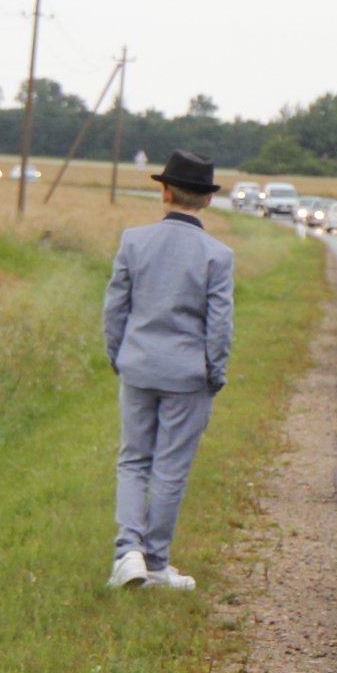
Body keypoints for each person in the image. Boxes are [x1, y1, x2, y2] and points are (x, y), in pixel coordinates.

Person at [102, 150, 234, 590]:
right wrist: (214, 374)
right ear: (208, 200)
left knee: (133, 460)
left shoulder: (133, 242)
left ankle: (128, 554)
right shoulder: (218, 255)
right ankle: (155, 562)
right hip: (187, 375)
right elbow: (219, 327)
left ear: (164, 191)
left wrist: (119, 356)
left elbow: (114, 310)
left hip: (137, 366)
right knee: (170, 468)